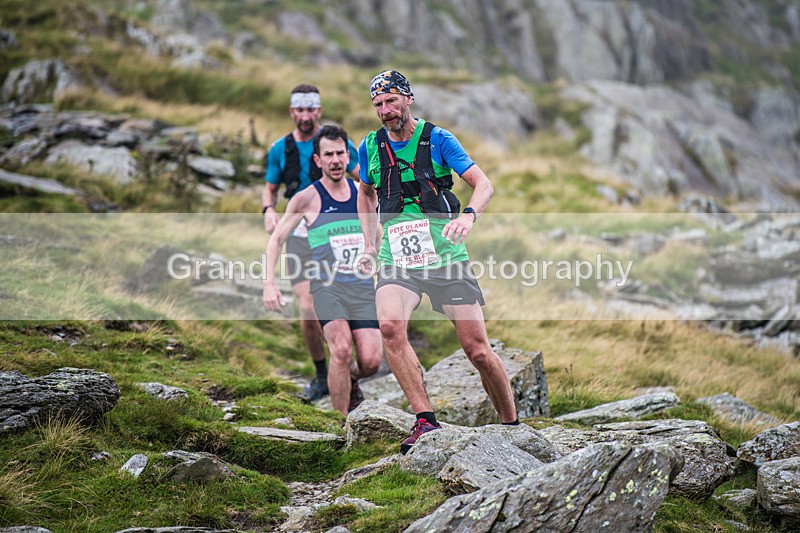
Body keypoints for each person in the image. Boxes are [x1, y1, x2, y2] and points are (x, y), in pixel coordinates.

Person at [357, 70, 519, 454]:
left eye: (391, 101)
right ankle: (425, 421)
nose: (385, 110)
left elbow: (484, 184)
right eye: (378, 104)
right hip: (397, 256)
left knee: (477, 348)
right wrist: (369, 243)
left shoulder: (439, 139)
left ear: (408, 99)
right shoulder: (370, 147)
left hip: (446, 255)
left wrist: (467, 216)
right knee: (391, 327)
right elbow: (365, 194)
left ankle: (512, 425)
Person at [263, 125, 381, 415]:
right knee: (341, 350)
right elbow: (277, 239)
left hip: (363, 287)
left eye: (340, 153)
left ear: (348, 155)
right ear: (318, 161)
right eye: (328, 154)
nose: (336, 160)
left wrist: (378, 257)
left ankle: (351, 380)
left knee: (371, 362)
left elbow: (379, 234)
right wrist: (269, 283)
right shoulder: (306, 198)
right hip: (327, 287)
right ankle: (340, 427)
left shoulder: (362, 193)